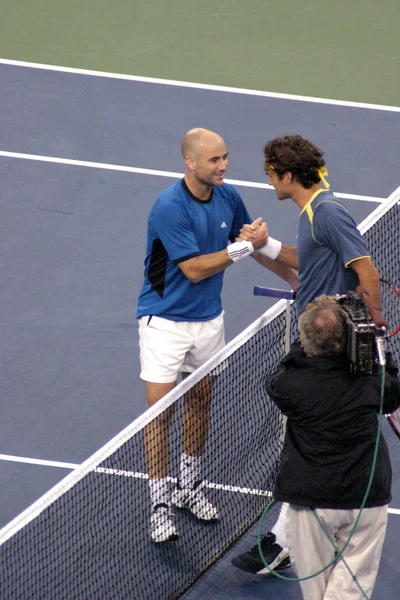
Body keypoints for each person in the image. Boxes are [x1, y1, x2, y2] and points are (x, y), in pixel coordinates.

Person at [137, 127, 298, 543]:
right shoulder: (169, 207)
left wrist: (299, 281)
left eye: (225, 156)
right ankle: (159, 501)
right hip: (164, 322)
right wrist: (243, 247)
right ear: (190, 162)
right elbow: (193, 269)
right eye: (214, 160)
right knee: (160, 414)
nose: (224, 165)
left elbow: (255, 247)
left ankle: (188, 486)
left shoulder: (227, 196)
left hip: (209, 320)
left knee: (201, 401)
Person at [232, 134, 383, 574]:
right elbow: (309, 261)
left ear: (287, 175)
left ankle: (288, 542)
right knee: (307, 440)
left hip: (325, 349)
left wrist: (369, 334)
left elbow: (367, 271)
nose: (269, 182)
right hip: (316, 342)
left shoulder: (328, 212)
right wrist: (263, 244)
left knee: (305, 442)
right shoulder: (312, 212)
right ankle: (292, 537)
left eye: (271, 175)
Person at [264, 296, 400, 599]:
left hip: (312, 505)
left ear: (306, 339)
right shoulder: (370, 383)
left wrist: (307, 344)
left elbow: (277, 376)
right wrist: (378, 350)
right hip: (366, 500)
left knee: (317, 593)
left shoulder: (290, 386)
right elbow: (392, 388)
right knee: (353, 587)